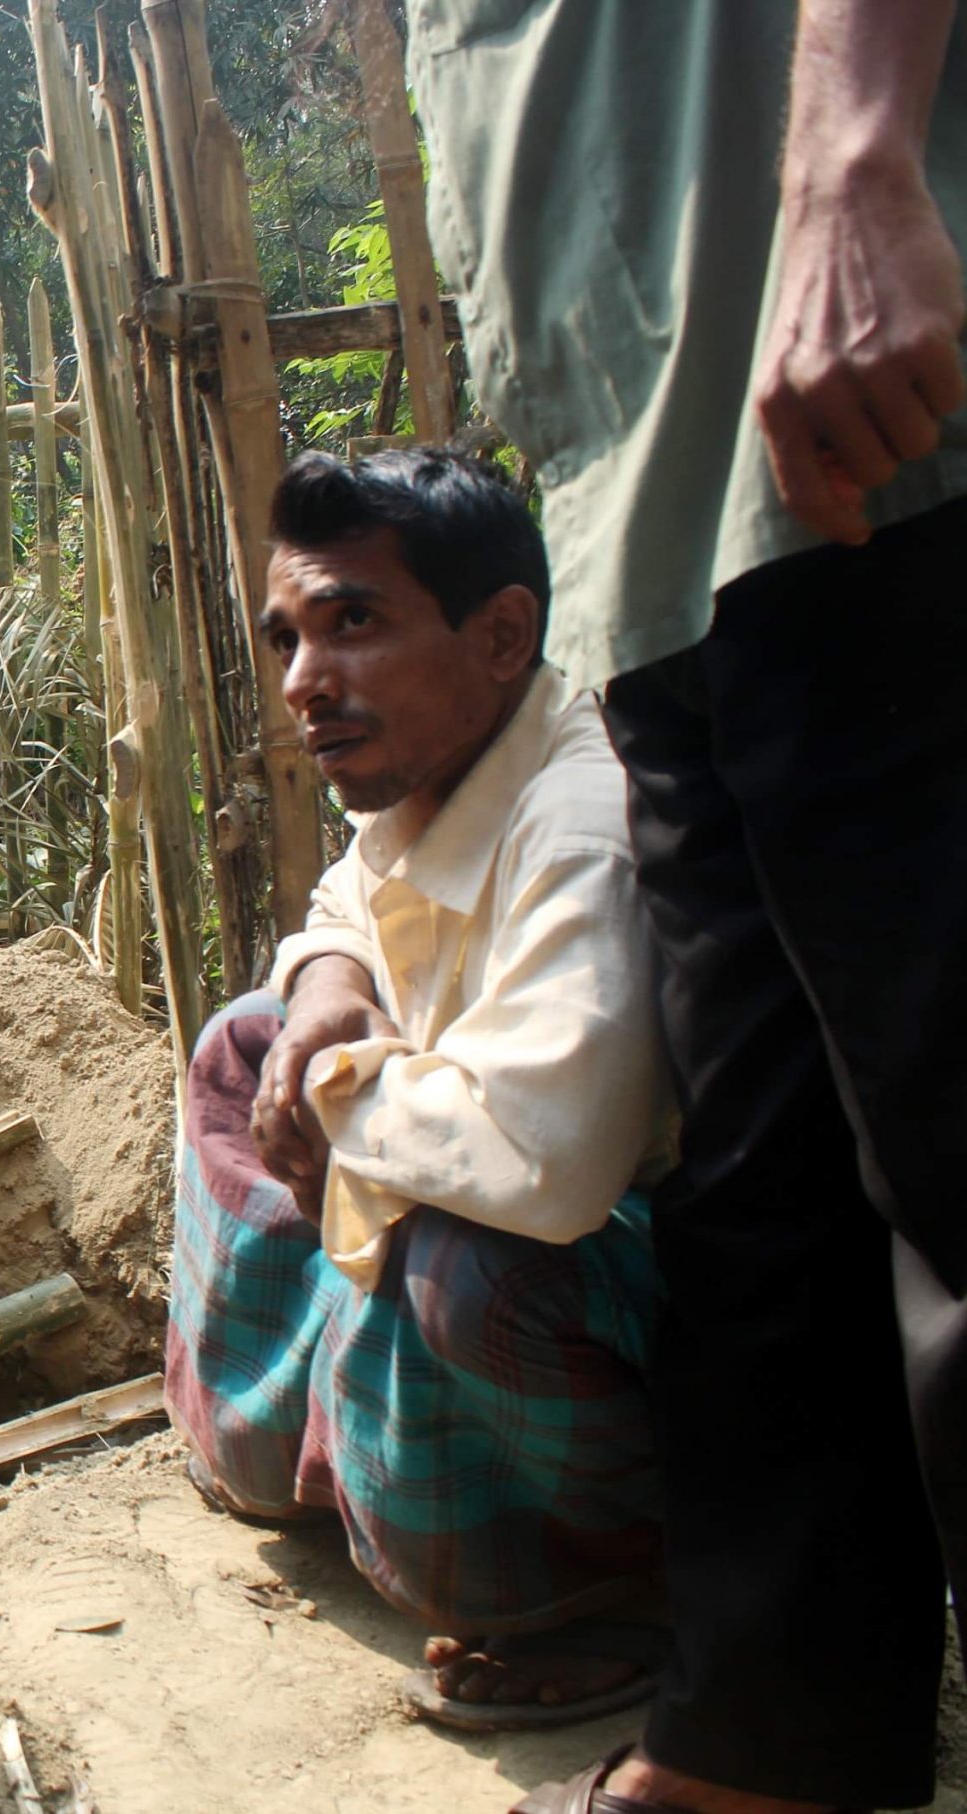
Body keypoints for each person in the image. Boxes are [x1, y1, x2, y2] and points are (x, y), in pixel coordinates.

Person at [403, 4, 967, 1811]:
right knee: (767, 1158)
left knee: (961, 1135)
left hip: (863, 406)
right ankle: (772, 1732)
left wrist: (857, 157)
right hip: (661, 498)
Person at [164, 448, 670, 1733]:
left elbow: (539, 1160)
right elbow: (349, 893)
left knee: (461, 1253)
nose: (301, 681)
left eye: (353, 624)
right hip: (471, 1155)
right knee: (243, 1043)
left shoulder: (582, 813)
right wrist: (330, 986)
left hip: (658, 1283)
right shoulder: (441, 758)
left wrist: (333, 1091)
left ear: (501, 635)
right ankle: (320, 1458)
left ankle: (610, 1593)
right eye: (287, 636)